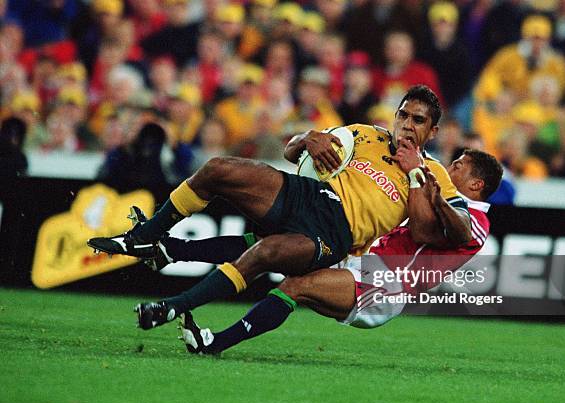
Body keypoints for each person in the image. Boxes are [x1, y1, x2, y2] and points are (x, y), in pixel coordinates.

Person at [88, 85, 469, 330]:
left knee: (263, 251)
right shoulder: (363, 134)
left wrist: (418, 176)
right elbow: (291, 153)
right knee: (220, 168)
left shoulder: (434, 171)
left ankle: (171, 307)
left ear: (432, 132)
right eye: (402, 114)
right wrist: (306, 138)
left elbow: (461, 231)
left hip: (336, 234)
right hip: (308, 194)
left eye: (417, 121)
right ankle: (145, 238)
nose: (405, 125)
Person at [174, 148, 503, 354]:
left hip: (388, 286)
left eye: (459, 165)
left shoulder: (476, 221)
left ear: (476, 184)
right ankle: (174, 250)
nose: (451, 167)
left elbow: (430, 230)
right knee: (274, 243)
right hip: (364, 262)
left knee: (296, 287)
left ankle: (213, 343)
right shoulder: (438, 195)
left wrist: (419, 180)